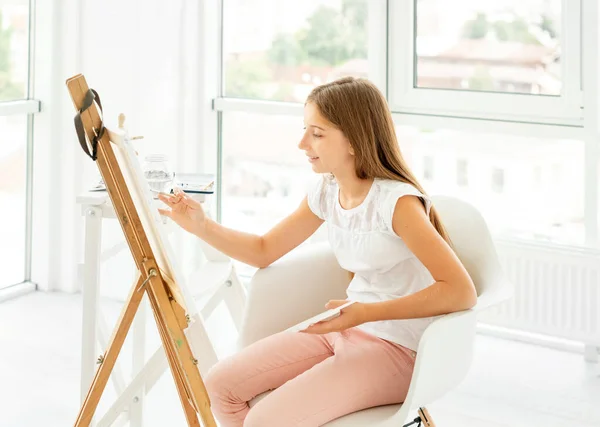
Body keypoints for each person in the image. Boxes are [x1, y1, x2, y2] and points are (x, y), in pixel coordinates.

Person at [158, 77, 477, 427]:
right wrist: (202, 226)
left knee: (263, 421)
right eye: (305, 130)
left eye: (317, 133)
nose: (302, 143)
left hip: (400, 349)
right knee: (220, 385)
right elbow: (264, 251)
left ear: (354, 140)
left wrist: (368, 313)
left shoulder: (397, 203)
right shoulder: (327, 192)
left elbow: (461, 291)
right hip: (345, 329)